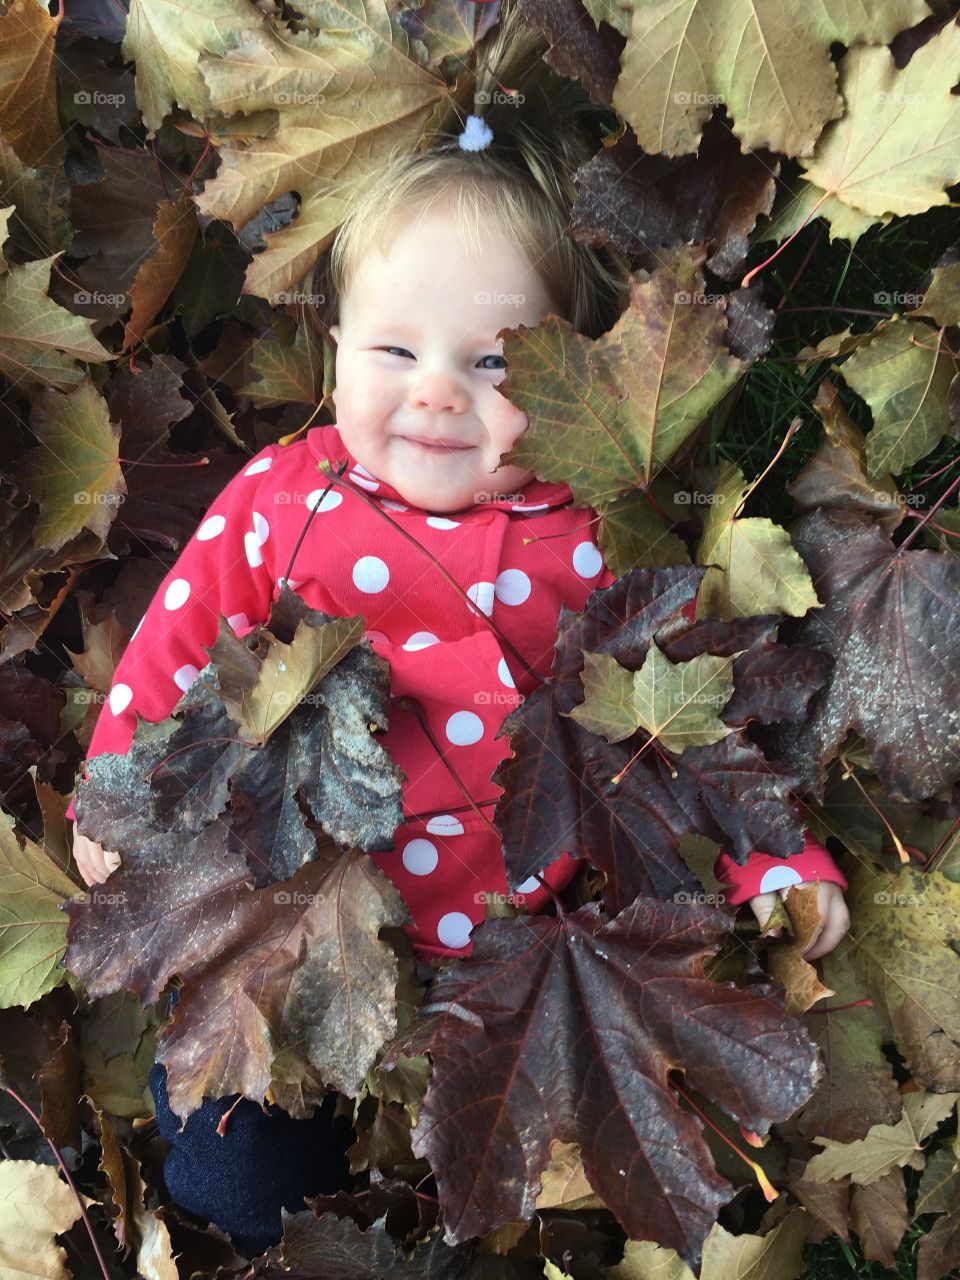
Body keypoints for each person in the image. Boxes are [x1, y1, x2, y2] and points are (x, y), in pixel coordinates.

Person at [66, 8, 849, 1256]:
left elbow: (699, 722)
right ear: (332, 341)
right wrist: (118, 800)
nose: (434, 391)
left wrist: (774, 865)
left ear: (559, 374)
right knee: (239, 1162)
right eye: (392, 348)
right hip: (312, 905)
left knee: (523, 1150)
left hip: (519, 934)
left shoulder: (593, 530)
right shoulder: (287, 496)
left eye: (491, 364)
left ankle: (469, 1194)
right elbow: (176, 642)